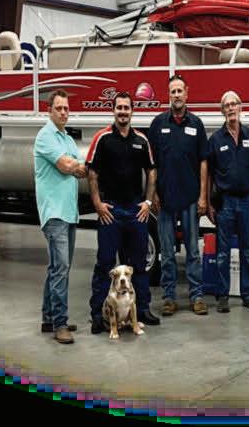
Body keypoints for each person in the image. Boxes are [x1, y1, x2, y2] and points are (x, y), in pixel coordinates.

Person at [86, 92, 161, 334]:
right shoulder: (103, 138)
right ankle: (98, 314)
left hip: (135, 212)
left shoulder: (141, 140)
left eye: (126, 108)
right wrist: (98, 204)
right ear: (113, 111)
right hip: (111, 212)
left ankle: (143, 309)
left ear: (132, 111)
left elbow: (151, 171)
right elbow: (92, 173)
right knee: (105, 263)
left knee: (139, 264)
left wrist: (147, 201)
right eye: (119, 107)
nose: (122, 112)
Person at [148, 74, 210, 316]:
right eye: (172, 91)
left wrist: (203, 196)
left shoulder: (196, 124)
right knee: (166, 252)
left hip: (190, 198)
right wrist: (153, 194)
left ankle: (196, 296)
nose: (176, 95)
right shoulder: (157, 124)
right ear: (168, 95)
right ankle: (169, 297)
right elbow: (151, 164)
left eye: (179, 91)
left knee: (193, 251)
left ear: (187, 93)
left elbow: (203, 162)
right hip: (165, 199)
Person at [204, 91, 249, 313]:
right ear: (222, 111)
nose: (231, 108)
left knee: (247, 251)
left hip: (247, 201)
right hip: (225, 203)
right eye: (227, 105)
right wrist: (208, 202)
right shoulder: (215, 139)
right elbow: (209, 174)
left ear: (241, 108)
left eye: (234, 104)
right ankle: (222, 296)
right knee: (222, 253)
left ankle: (248, 294)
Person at [34, 89, 88, 344]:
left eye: (66, 108)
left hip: (68, 212)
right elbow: (68, 166)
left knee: (57, 267)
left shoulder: (66, 139)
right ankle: (60, 324)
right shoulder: (46, 136)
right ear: (50, 111)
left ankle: (49, 318)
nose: (64, 112)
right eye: (59, 108)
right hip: (54, 213)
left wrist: (75, 166)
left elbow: (80, 169)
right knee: (61, 268)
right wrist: (74, 166)